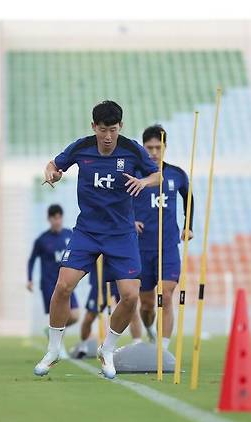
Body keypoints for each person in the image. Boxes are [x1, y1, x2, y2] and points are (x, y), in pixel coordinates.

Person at [33, 101, 160, 379]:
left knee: (130, 296)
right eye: (102, 130)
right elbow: (55, 164)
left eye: (112, 130)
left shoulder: (130, 149)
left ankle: (108, 348)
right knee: (64, 285)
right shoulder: (82, 147)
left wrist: (144, 182)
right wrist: (51, 173)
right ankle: (54, 349)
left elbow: (157, 173)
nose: (107, 137)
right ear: (94, 127)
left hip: (122, 234)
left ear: (120, 128)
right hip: (87, 231)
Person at [132, 125, 193, 350]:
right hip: (140, 248)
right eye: (150, 148)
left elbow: (189, 198)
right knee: (146, 304)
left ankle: (162, 349)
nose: (154, 152)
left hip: (167, 246)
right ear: (143, 148)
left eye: (159, 147)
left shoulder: (176, 174)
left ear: (165, 147)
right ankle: (149, 330)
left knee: (166, 295)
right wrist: (129, 220)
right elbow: (117, 202)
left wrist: (188, 226)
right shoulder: (135, 174)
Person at [27, 204, 79, 356]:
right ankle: (58, 347)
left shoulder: (69, 235)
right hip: (49, 283)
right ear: (49, 219)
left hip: (67, 282)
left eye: (59, 217)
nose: (57, 221)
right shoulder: (42, 240)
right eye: (53, 218)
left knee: (75, 316)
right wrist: (29, 279)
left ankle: (52, 331)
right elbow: (32, 260)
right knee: (58, 314)